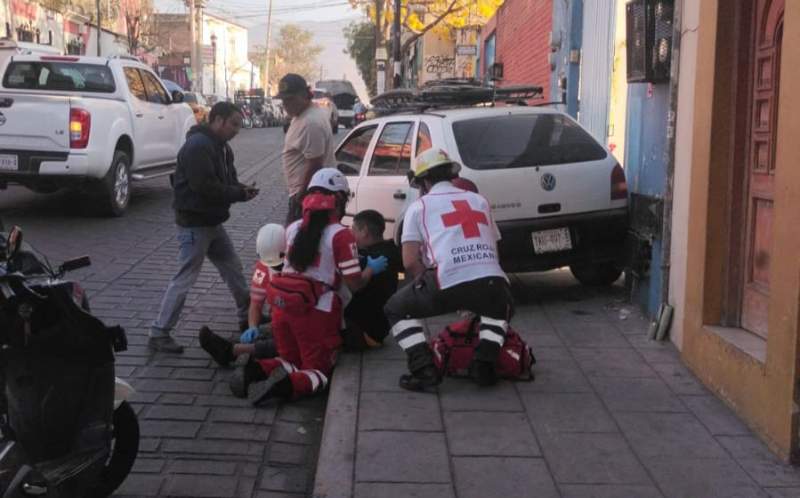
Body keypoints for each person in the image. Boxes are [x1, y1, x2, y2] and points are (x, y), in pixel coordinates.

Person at [229, 168, 388, 405]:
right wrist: (370, 270)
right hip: (317, 313)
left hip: (282, 308)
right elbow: (354, 286)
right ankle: (285, 386)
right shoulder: (341, 235)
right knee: (319, 373)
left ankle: (253, 370)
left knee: (289, 359)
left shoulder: (292, 228)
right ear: (340, 200)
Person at [384, 148, 513, 391]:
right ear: (451, 175)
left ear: (424, 180)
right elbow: (494, 251)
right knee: (499, 309)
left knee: (395, 309)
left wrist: (424, 283)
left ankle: (424, 369)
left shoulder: (419, 207)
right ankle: (484, 365)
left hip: (445, 280)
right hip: (493, 283)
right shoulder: (479, 201)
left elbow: (410, 261)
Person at [149, 102, 259, 354]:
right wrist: (238, 194)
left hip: (211, 221)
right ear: (218, 120)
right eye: (233, 124)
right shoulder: (198, 147)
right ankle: (159, 332)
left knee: (233, 269)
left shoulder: (222, 148)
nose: (237, 130)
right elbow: (205, 187)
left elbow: (227, 181)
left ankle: (247, 316)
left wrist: (242, 189)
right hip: (194, 224)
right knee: (185, 278)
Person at [199, 223, 286, 366]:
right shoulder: (263, 268)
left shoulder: (302, 266)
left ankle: (232, 351)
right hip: (284, 317)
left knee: (284, 343)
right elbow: (256, 304)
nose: (274, 267)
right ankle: (240, 348)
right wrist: (252, 326)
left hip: (303, 321)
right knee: (269, 332)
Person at [277, 73, 336, 224]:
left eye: (290, 99)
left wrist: (300, 197)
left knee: (296, 243)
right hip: (305, 194)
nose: (285, 105)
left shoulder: (310, 122)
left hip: (308, 196)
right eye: (283, 100)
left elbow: (315, 164)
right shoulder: (303, 114)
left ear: (304, 95)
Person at [342, 209, 402, 350]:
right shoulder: (392, 251)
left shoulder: (369, 260)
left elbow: (351, 286)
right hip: (378, 331)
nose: (351, 233)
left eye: (354, 229)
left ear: (364, 231)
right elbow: (401, 274)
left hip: (361, 332)